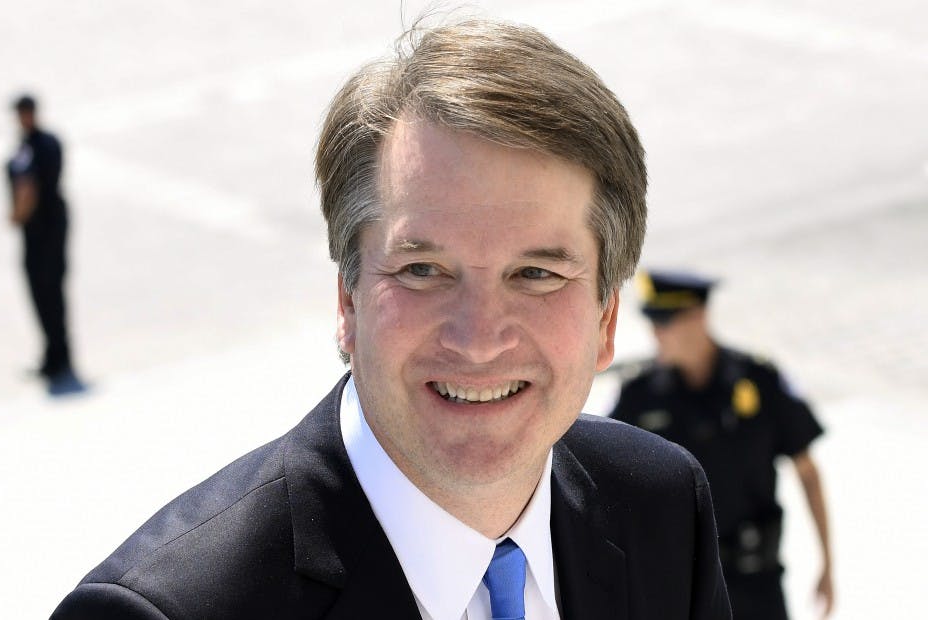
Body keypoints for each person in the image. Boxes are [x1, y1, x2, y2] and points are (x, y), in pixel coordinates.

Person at [51, 19, 731, 619]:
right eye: (423, 271)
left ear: (607, 318)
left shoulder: (661, 509)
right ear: (346, 301)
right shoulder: (162, 611)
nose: (479, 338)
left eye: (536, 275)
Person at [609, 270, 833, 620]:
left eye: (665, 321)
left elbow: (807, 470)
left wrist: (827, 563)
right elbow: (607, 483)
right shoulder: (640, 397)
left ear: (698, 316)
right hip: (679, 585)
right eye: (652, 321)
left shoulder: (758, 380)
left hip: (757, 581)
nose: (656, 333)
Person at [6, 94, 84, 396]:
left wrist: (16, 215)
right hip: (49, 229)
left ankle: (58, 357)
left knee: (47, 293)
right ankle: (55, 355)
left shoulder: (35, 147)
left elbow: (28, 189)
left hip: (43, 232)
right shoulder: (42, 143)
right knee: (50, 296)